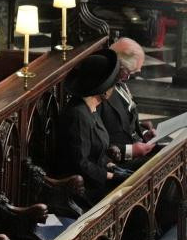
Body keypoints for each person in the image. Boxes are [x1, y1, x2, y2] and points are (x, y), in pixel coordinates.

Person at [57, 49, 125, 206]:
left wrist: (110, 165)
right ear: (103, 90)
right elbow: (81, 163)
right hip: (85, 188)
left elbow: (98, 150)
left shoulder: (93, 107)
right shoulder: (78, 115)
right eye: (112, 84)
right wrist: (110, 176)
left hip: (98, 176)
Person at [103, 39, 157, 165]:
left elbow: (128, 120)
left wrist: (144, 134)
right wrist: (130, 150)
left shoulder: (120, 84)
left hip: (138, 146)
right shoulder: (101, 94)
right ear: (117, 64)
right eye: (127, 72)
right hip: (119, 160)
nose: (127, 78)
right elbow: (99, 141)